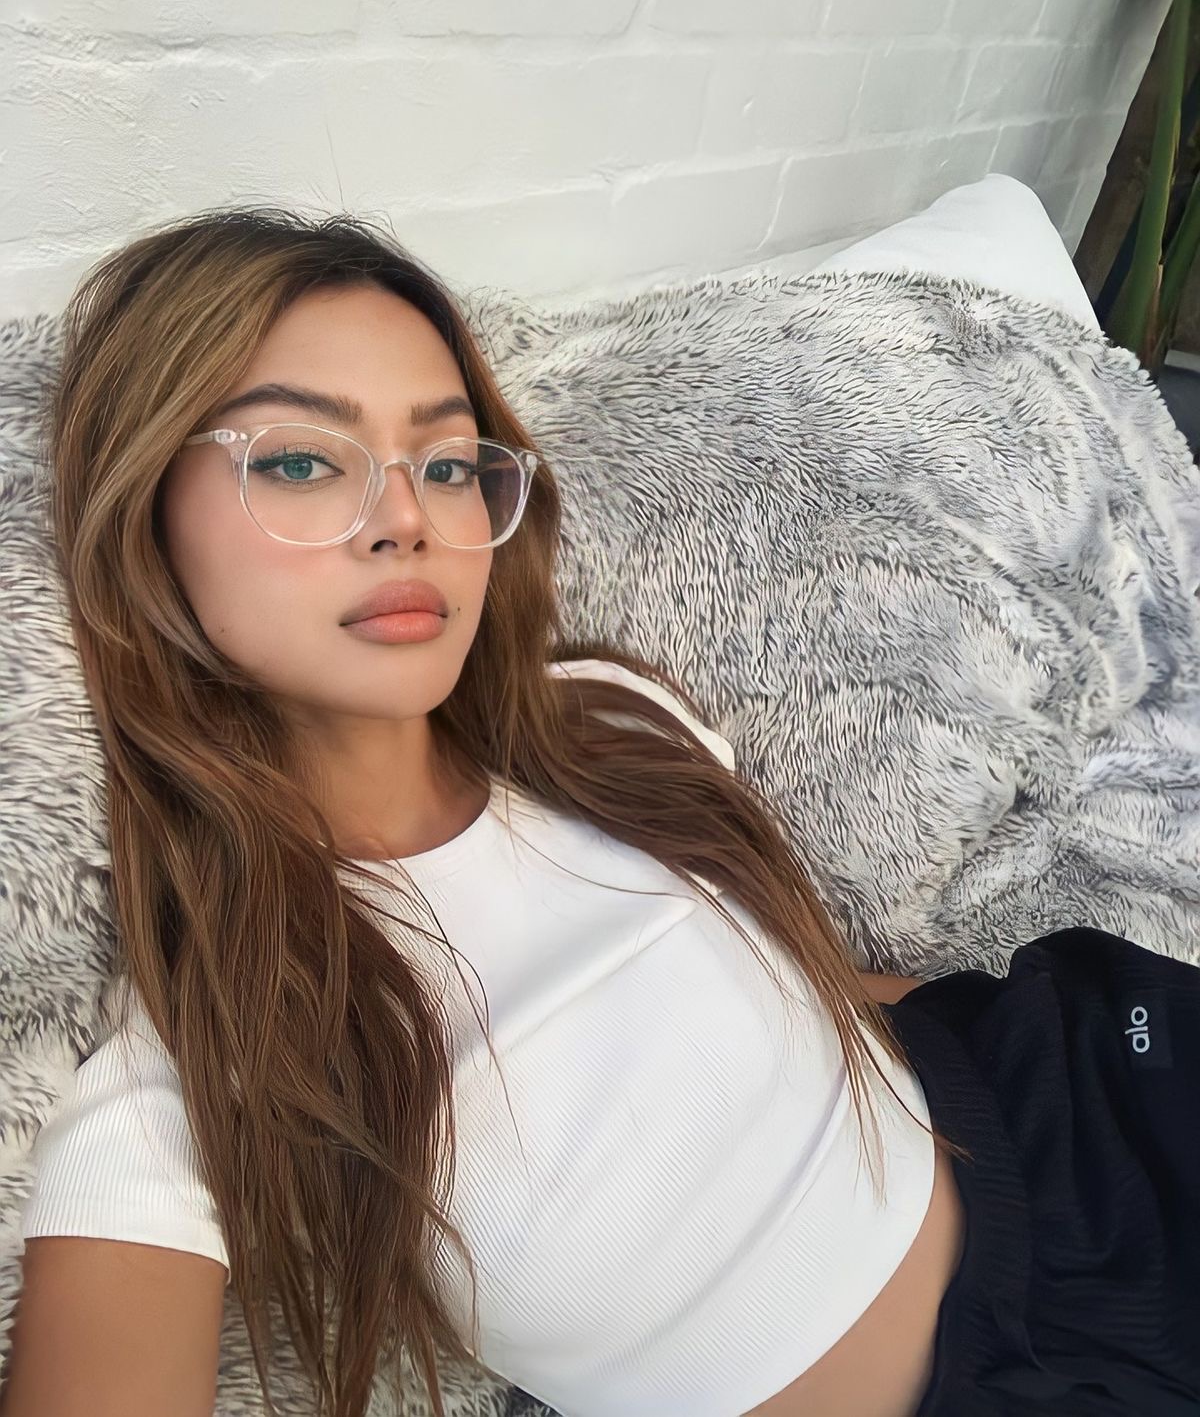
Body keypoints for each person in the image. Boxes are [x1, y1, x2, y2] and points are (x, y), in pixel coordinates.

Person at [2, 209, 1196, 1417]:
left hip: (1077, 1105)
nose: (408, 518)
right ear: (143, 518)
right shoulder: (204, 1051)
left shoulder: (605, 722)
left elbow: (793, 985)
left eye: (449, 463)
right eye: (302, 461)